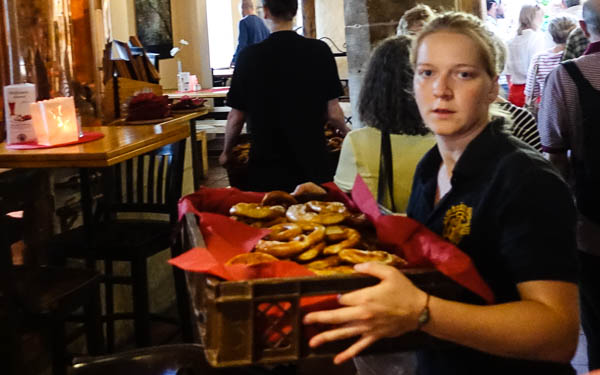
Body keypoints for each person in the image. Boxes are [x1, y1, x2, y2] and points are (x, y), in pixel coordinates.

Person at [304, 11, 579, 375]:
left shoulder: (526, 179)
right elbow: (436, 243)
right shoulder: (431, 166)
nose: (441, 90)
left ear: (493, 85)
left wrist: (422, 312)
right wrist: (340, 210)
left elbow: (557, 334)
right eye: (427, 73)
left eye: (463, 74)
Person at [220, 0, 349, 193]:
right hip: (313, 159)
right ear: (295, 11)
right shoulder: (319, 50)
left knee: (269, 217)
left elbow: (236, 117)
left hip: (267, 163)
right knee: (317, 218)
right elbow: (334, 113)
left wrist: (226, 152)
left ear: (265, 12)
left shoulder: (249, 56)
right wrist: (349, 134)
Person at [537, 0, 600, 370]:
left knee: (596, 321)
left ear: (583, 26)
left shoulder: (566, 77)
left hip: (593, 226)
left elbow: (554, 155)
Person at [525, 16, 577, 109]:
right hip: (576, 111)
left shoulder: (539, 58)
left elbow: (530, 95)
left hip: (548, 111)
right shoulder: (578, 57)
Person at [505, 5, 546, 107]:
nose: (542, 20)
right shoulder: (537, 38)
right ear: (533, 18)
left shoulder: (510, 41)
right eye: (541, 16)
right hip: (532, 92)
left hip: (514, 91)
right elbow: (539, 69)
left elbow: (507, 73)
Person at [231, 0, 270, 67]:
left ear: (242, 8)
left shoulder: (244, 22)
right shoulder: (263, 23)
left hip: (250, 63)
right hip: (263, 63)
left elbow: (242, 45)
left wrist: (234, 61)